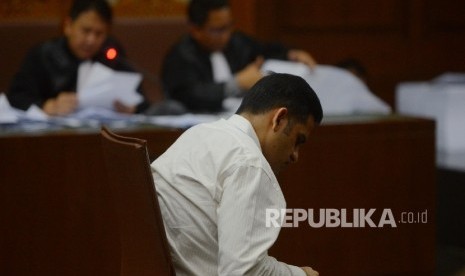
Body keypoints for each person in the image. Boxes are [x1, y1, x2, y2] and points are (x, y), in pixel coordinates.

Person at [152, 73, 323, 276]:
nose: (295, 156)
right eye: (298, 140)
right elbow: (243, 272)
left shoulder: (197, 134)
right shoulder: (250, 164)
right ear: (279, 119)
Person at [161, 0, 317, 113]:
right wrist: (236, 84)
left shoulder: (238, 42)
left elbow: (267, 50)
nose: (226, 35)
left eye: (229, 26)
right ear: (196, 30)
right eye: (218, 30)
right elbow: (188, 95)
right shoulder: (180, 55)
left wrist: (292, 55)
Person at [6, 0, 149, 116]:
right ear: (68, 26)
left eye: (99, 34)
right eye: (86, 31)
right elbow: (17, 98)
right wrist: (47, 106)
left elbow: (142, 101)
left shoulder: (111, 53)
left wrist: (132, 108)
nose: (91, 40)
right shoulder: (43, 54)